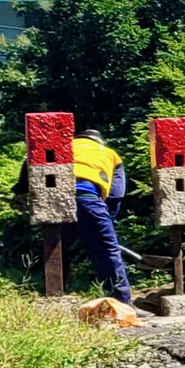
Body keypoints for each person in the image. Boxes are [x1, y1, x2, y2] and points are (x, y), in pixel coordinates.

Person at [70, 128, 131, 303]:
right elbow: (116, 194)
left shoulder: (65, 147)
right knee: (108, 251)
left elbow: (30, 159)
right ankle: (122, 303)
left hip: (55, 201)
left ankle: (56, 296)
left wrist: (20, 192)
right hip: (88, 198)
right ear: (100, 141)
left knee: (56, 249)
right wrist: (107, 220)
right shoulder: (110, 154)